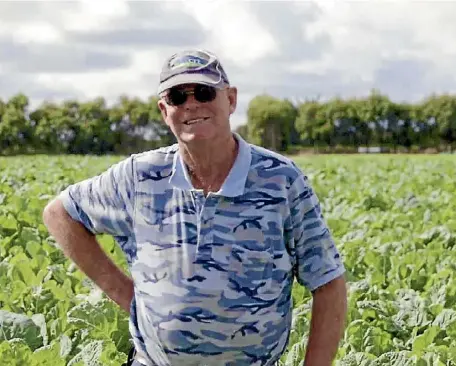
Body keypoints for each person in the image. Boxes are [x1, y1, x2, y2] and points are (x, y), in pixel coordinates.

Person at [42, 48, 348, 366]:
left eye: (204, 92)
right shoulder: (139, 177)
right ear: (164, 110)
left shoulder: (281, 180)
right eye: (177, 96)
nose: (191, 104)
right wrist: (125, 296)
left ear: (230, 100)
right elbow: (60, 214)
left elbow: (328, 283)